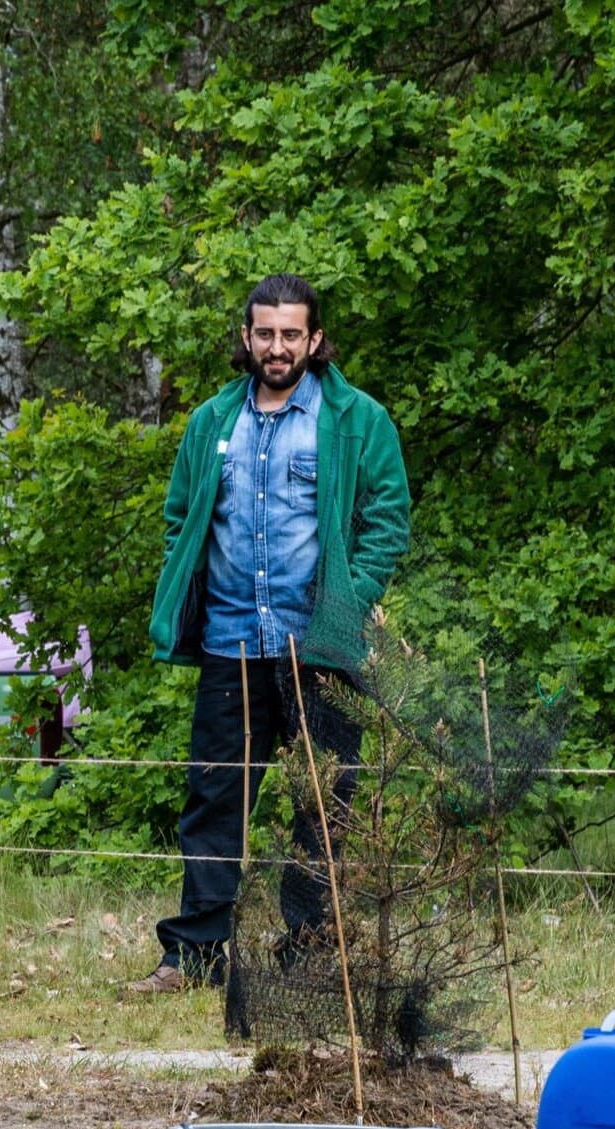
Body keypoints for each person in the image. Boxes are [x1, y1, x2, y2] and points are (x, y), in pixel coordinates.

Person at [130, 274, 412, 997]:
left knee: (323, 802)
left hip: (320, 646)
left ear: (315, 338)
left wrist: (354, 600)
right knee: (215, 800)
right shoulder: (211, 423)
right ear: (247, 337)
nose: (277, 347)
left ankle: (309, 950)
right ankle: (195, 953)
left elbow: (389, 520)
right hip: (230, 639)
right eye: (265, 334)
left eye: (291, 334)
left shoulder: (355, 419)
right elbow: (180, 517)